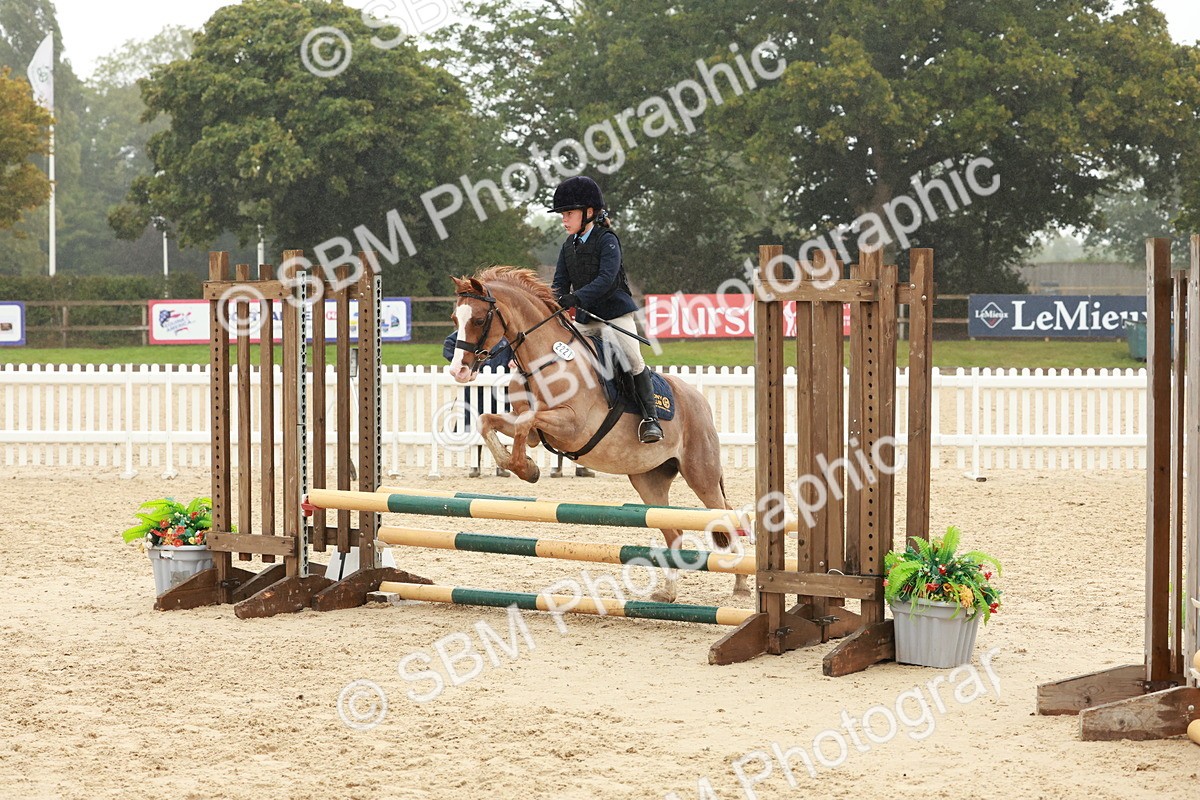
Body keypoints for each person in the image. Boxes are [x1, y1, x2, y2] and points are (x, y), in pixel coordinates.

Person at [549, 175, 663, 444]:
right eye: (562, 215)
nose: (564, 219)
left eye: (568, 213)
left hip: (615, 315)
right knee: (562, 355)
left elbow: (606, 279)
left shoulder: (607, 239)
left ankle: (651, 420)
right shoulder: (568, 246)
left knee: (634, 361)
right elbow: (558, 283)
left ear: (588, 213)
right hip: (587, 319)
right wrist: (554, 303)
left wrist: (575, 298)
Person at [442, 331, 512, 477]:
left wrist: (515, 361)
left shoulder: (507, 334)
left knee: (502, 425)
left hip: (501, 389)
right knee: (475, 424)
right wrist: (463, 364)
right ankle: (475, 464)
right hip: (476, 389)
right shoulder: (471, 332)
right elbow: (448, 346)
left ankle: (503, 465)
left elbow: (518, 351)